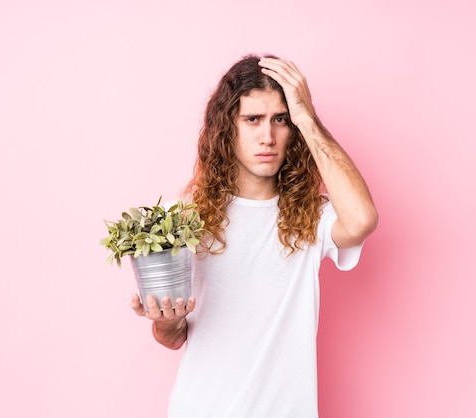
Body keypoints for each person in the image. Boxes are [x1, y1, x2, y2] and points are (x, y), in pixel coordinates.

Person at [130, 54, 378, 417]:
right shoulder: (183, 218)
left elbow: (362, 220)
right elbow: (171, 337)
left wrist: (306, 117)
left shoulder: (313, 215)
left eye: (281, 120)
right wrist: (167, 321)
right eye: (252, 120)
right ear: (227, 128)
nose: (268, 137)